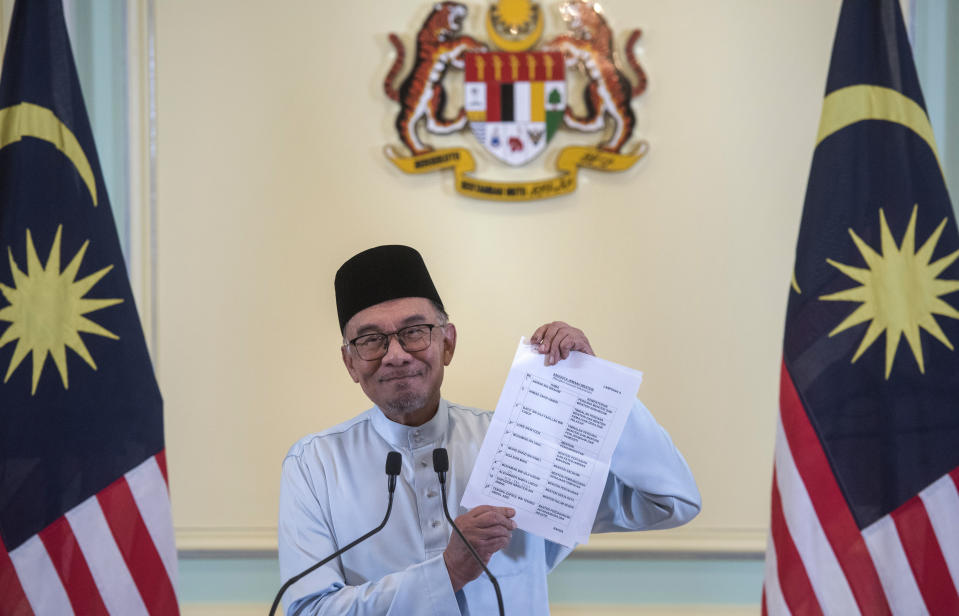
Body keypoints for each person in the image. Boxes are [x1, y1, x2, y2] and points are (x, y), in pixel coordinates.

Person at [278, 245, 701, 615]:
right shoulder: (314, 465)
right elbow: (308, 610)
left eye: (414, 332)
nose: (395, 355)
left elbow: (669, 502)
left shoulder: (517, 443)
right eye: (370, 340)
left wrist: (593, 385)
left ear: (448, 343)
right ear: (350, 362)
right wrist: (446, 572)